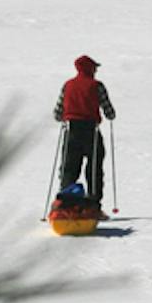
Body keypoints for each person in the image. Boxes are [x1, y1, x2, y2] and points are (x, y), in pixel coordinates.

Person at [54, 54, 117, 208]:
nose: (96, 70)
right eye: (94, 67)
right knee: (94, 168)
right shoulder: (97, 85)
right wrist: (109, 115)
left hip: (72, 130)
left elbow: (58, 113)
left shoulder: (68, 85)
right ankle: (93, 203)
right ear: (90, 68)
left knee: (69, 167)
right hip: (91, 131)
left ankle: (66, 202)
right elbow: (109, 112)